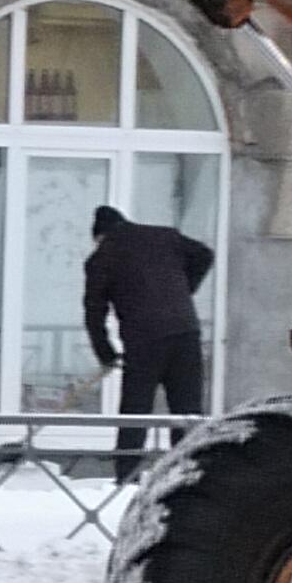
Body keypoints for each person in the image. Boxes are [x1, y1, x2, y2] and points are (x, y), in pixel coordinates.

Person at [82, 203, 214, 477]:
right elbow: (204, 254)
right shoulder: (165, 236)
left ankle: (126, 474)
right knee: (187, 412)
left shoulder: (102, 257)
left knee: (136, 410)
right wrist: (183, 290)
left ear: (100, 235)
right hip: (185, 331)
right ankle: (188, 473)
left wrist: (106, 353)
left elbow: (94, 312)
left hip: (144, 340)